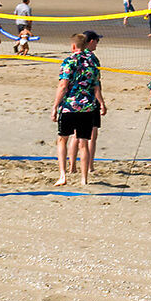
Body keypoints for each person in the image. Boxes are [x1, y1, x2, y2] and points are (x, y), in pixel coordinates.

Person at [51, 32, 103, 187]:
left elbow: (63, 85)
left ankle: (63, 175)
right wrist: (101, 102)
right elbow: (96, 85)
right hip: (87, 107)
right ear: (86, 45)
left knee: (62, 140)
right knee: (83, 143)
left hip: (69, 106)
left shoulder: (68, 61)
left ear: (73, 46)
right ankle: (84, 178)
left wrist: (55, 106)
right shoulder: (93, 62)